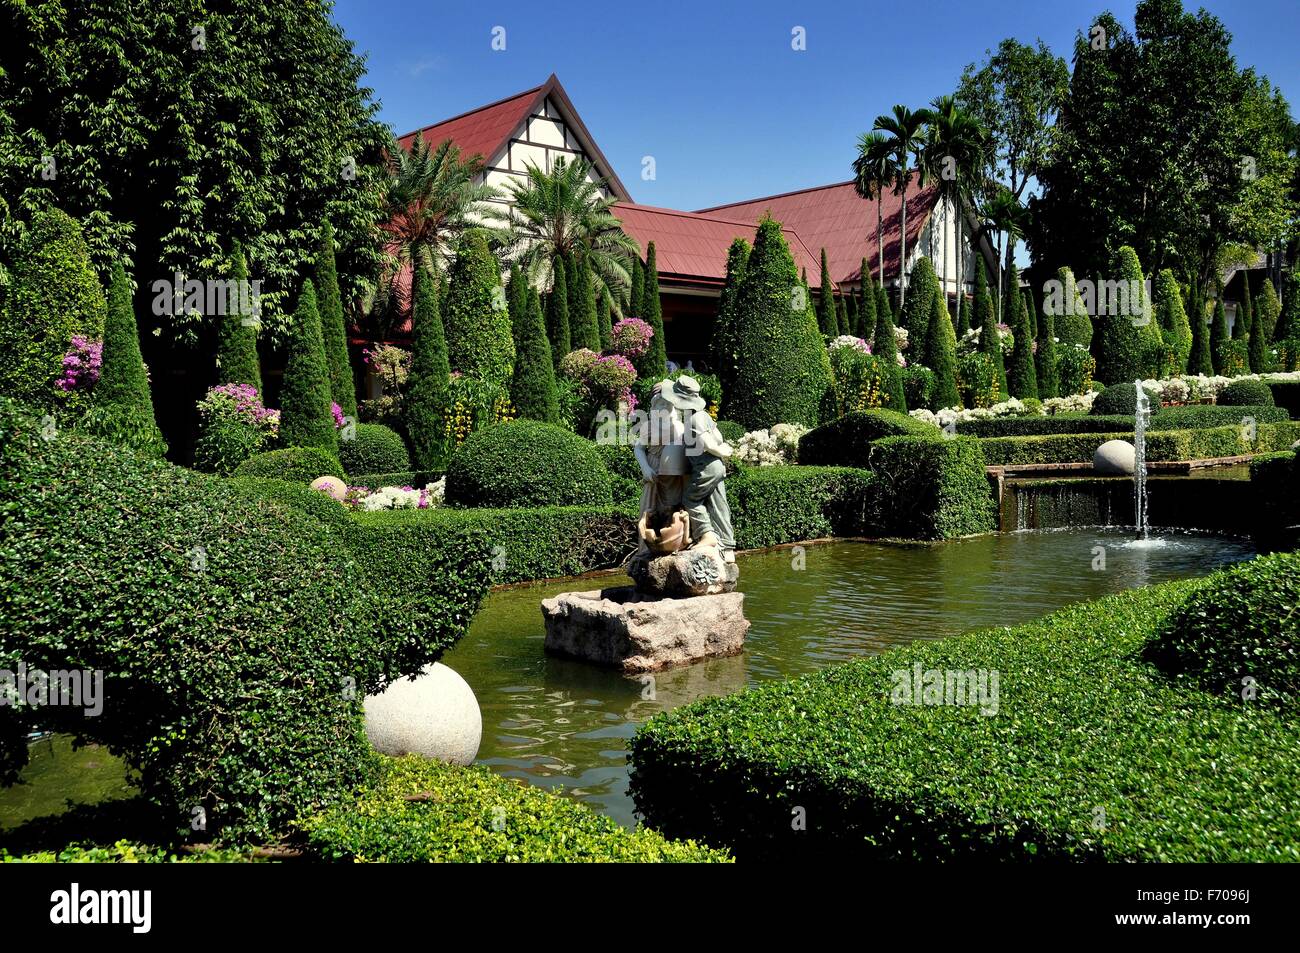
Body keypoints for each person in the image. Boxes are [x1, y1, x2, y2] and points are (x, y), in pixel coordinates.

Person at [658, 375, 736, 562]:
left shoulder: (694, 419)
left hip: (706, 467)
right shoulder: (704, 416)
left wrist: (722, 451)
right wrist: (722, 450)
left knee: (691, 500)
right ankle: (728, 548)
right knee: (719, 505)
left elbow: (709, 443)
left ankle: (707, 536)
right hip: (716, 467)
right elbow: (716, 435)